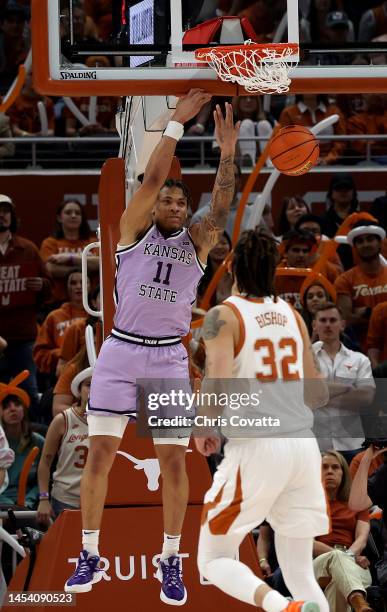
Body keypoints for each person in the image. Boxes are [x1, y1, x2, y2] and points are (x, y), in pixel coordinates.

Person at [64, 91, 240, 604]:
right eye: (167, 198)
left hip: (165, 356)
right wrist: (176, 125)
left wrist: (227, 151)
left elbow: (223, 203)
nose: (172, 203)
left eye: (181, 202)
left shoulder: (198, 242)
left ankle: (170, 560)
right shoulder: (133, 231)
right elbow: (154, 178)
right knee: (99, 455)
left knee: (172, 463)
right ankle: (90, 553)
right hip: (121, 352)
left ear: (187, 213)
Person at [196, 227, 330, 612]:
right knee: (301, 571)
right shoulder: (293, 314)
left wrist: (205, 426)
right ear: (274, 270)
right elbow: (316, 393)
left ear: (233, 266)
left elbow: (216, 379)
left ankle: (280, 608)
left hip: (259, 448)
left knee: (213, 558)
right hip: (304, 448)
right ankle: (297, 605)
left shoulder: (222, 315)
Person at [0, 194, 51, 409]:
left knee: (30, 392)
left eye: (5, 211)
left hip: (23, 335)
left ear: (12, 216)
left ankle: (34, 436)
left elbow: (49, 285)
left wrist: (42, 284)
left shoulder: (28, 248)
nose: (1, 215)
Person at [312, 303, 375, 463]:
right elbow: (301, 394)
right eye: (323, 320)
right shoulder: (304, 358)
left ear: (342, 325)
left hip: (352, 443)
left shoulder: (360, 359)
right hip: (315, 444)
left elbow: (366, 397)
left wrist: (321, 397)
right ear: (314, 325)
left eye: (333, 320)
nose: (328, 324)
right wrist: (348, 389)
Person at [314, 451, 373, 612]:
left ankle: (357, 600)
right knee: (337, 558)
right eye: (324, 467)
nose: (330, 471)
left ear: (343, 473)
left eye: (335, 467)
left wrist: (348, 557)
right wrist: (344, 556)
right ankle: (359, 602)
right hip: (319, 563)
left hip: (353, 561)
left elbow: (362, 538)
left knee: (337, 584)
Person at [37, 368, 91, 524]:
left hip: (100, 498)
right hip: (66, 499)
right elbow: (45, 462)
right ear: (79, 392)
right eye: (88, 385)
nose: (93, 389)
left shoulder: (112, 421)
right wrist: (43, 498)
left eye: (98, 385)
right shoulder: (64, 419)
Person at [335, 221, 387, 351]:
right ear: (355, 247)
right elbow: (345, 321)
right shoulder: (344, 280)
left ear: (380, 243)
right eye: (360, 241)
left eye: (370, 239)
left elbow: (353, 317)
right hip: (359, 351)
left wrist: (365, 313)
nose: (366, 245)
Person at [40, 198, 99, 306]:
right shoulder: (50, 243)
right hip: (57, 302)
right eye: (68, 212)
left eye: (77, 213)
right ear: (59, 217)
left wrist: (69, 258)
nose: (73, 215)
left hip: (90, 302)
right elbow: (50, 269)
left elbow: (101, 263)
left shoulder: (93, 243)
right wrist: (86, 267)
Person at [0, 371, 45, 509]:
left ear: (24, 409)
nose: (13, 409)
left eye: (17, 404)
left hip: (28, 504)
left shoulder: (38, 441)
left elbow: (41, 480)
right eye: (6, 406)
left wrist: (28, 501)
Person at [33, 272, 88, 380]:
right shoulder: (54, 316)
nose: (78, 286)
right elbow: (39, 354)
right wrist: (62, 354)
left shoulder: (97, 314)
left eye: (83, 282)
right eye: (73, 283)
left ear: (90, 286)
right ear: (67, 288)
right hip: (61, 373)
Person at [278, 95, 345, 165]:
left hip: (330, 164)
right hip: (298, 164)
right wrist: (303, 160)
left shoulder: (334, 111)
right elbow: (284, 142)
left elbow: (340, 141)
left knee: (342, 175)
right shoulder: (288, 113)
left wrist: (327, 159)